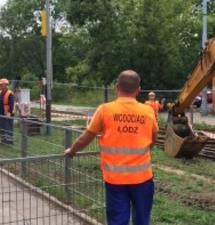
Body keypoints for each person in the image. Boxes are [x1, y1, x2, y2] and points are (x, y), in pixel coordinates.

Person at [65, 70, 158, 225]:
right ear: (138, 90)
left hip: (115, 179)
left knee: (117, 221)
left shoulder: (105, 110)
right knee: (142, 219)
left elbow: (86, 137)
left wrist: (72, 151)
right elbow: (153, 139)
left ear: (116, 87)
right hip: (142, 178)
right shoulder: (147, 111)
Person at [0, 78, 15, 145]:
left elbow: (12, 104)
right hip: (1, 113)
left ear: (5, 85)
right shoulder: (0, 92)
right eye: (0, 85)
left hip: (8, 114)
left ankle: (9, 141)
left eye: (1, 85)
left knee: (8, 127)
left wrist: (9, 112)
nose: (0, 86)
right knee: (2, 127)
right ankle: (3, 140)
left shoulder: (10, 94)